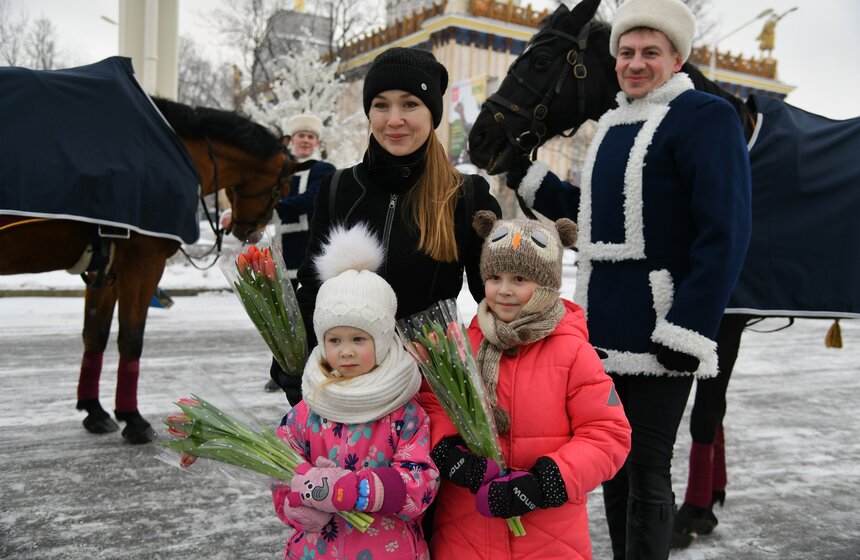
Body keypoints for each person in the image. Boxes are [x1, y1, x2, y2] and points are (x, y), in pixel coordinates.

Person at [504, 0, 752, 557]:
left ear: (678, 58)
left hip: (664, 330)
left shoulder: (705, 116)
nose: (636, 63)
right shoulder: (613, 122)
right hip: (603, 328)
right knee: (611, 462)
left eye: (651, 53)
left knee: (647, 467)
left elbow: (726, 232)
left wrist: (689, 328)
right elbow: (595, 214)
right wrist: (526, 175)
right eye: (626, 52)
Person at [285, 46, 502, 406]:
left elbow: (496, 300)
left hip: (430, 393)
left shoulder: (466, 195)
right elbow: (313, 288)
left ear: (432, 113)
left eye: (410, 104)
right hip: (345, 390)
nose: (394, 119)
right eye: (381, 105)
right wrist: (296, 369)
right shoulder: (339, 189)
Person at [420, 211, 632, 559]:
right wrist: (449, 451)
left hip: (549, 534)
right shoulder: (463, 347)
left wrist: (546, 481)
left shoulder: (574, 352)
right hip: (465, 529)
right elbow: (433, 404)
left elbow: (607, 434)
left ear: (546, 284)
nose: (504, 290)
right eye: (494, 277)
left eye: (519, 278)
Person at [271, 222, 439, 559]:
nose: (345, 351)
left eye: (358, 339)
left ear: (380, 340)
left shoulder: (403, 412)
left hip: (388, 549)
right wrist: (293, 502)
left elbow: (421, 483)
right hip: (316, 549)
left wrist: (356, 491)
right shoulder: (308, 409)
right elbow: (279, 470)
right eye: (335, 340)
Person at [266, 113, 335, 392]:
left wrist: (270, 204)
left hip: (312, 254)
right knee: (282, 320)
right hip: (284, 252)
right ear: (292, 141)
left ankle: (314, 367)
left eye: (310, 137)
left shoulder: (323, 169)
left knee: (309, 317)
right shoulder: (280, 171)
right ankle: (281, 370)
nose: (305, 141)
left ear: (317, 142)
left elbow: (311, 200)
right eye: (300, 136)